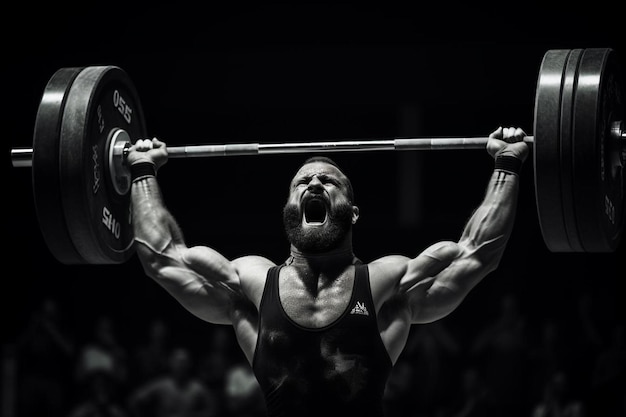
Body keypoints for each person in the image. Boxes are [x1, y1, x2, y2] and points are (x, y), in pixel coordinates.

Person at [127, 126, 528, 416]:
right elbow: (162, 259)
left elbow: (478, 254)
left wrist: (507, 163)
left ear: (353, 212)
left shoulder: (388, 285)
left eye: (329, 181)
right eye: (302, 182)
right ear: (287, 209)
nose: (314, 183)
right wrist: (142, 171)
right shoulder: (248, 284)